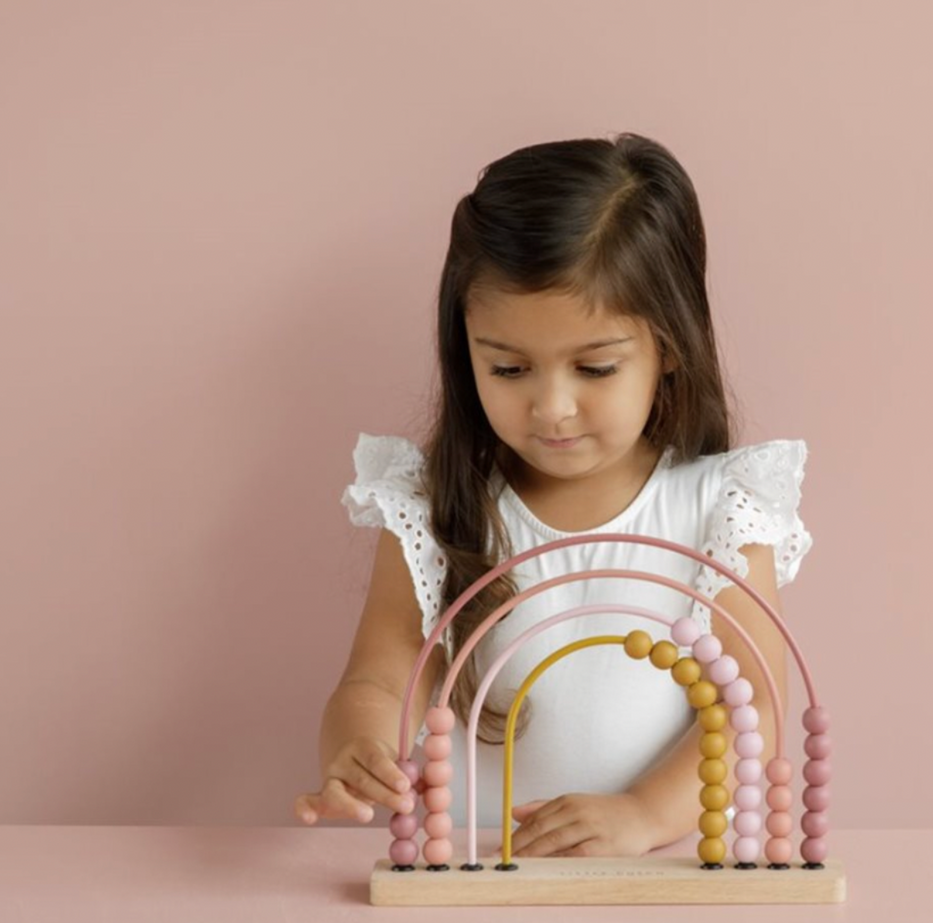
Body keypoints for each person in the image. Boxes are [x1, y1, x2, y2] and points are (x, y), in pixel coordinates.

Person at [293, 132, 813, 859]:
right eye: (508, 369)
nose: (552, 408)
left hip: (651, 890)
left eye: (595, 368)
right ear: (463, 347)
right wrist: (359, 748)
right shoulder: (435, 506)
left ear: (668, 348)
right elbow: (379, 678)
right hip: (475, 888)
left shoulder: (718, 509)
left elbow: (751, 705)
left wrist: (640, 815)